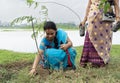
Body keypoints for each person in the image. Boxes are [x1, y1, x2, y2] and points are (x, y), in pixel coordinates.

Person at [80, 0, 119, 67]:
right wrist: (84, 20)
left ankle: (101, 61)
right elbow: (89, 5)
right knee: (91, 37)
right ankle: (88, 61)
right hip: (92, 17)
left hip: (106, 18)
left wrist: (118, 18)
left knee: (103, 40)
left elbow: (116, 4)